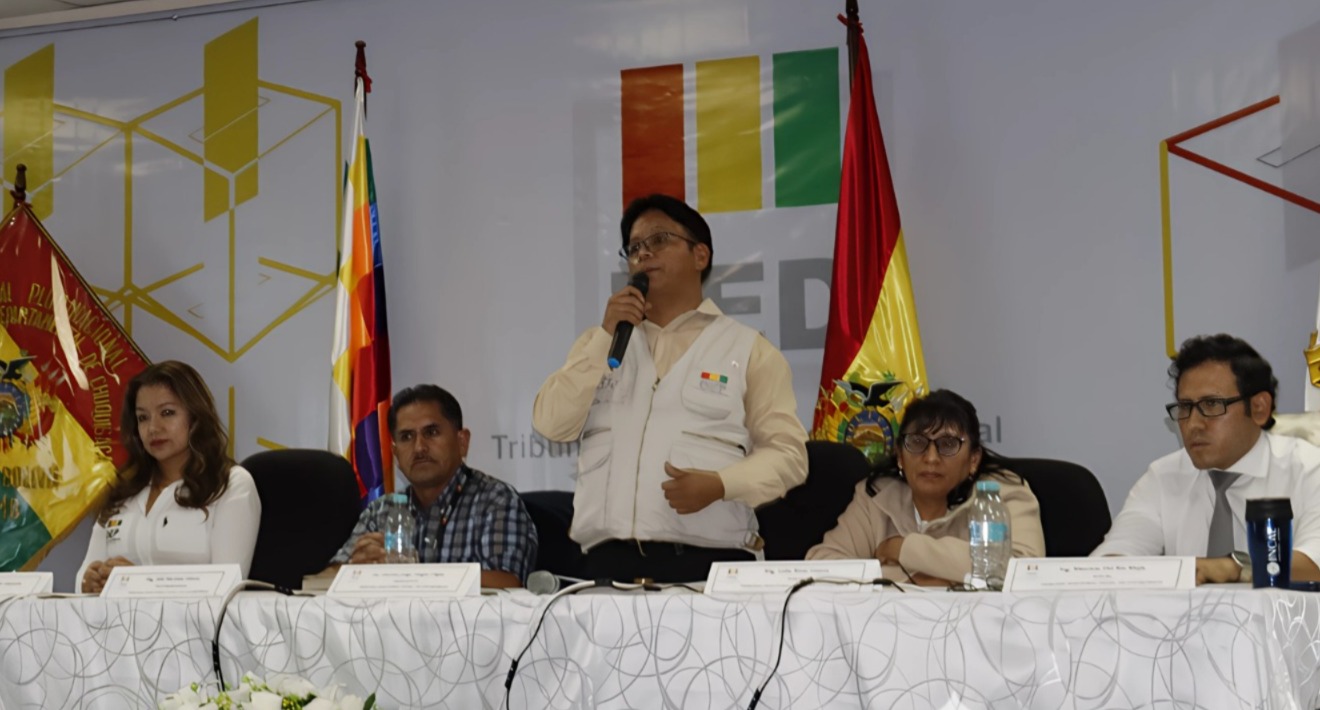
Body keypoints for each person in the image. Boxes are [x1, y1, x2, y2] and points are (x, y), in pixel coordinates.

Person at [532, 193, 808, 583]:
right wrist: (605, 336)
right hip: (608, 568)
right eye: (634, 248)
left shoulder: (748, 350)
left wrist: (721, 485)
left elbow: (789, 455)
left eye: (659, 240)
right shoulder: (601, 343)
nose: (643, 253)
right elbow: (550, 423)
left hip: (709, 567)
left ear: (700, 255)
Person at [1092, 334, 1320, 584]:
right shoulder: (1163, 477)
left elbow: (1314, 564)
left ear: (1259, 408)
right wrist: (1111, 570)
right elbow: (1113, 558)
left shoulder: (1310, 470)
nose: (1193, 424)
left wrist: (1234, 567)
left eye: (1212, 404)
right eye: (1185, 407)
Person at [807, 389, 1044, 585]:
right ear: (900, 456)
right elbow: (821, 566)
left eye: (948, 444)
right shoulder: (877, 495)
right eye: (917, 442)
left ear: (974, 459)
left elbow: (1025, 571)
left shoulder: (1002, 494)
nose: (931, 458)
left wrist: (903, 549)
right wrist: (919, 580)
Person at [325, 385, 537, 588]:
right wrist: (354, 569)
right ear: (395, 453)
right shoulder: (381, 511)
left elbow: (509, 582)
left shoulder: (496, 500)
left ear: (462, 442)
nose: (419, 447)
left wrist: (408, 574)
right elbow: (325, 578)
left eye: (432, 432)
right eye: (407, 437)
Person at [77, 361, 261, 593]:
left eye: (167, 413)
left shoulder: (231, 484)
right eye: (143, 417)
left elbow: (226, 587)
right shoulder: (123, 490)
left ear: (195, 417)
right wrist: (89, 582)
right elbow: (83, 577)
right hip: (114, 617)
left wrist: (139, 582)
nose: (153, 428)